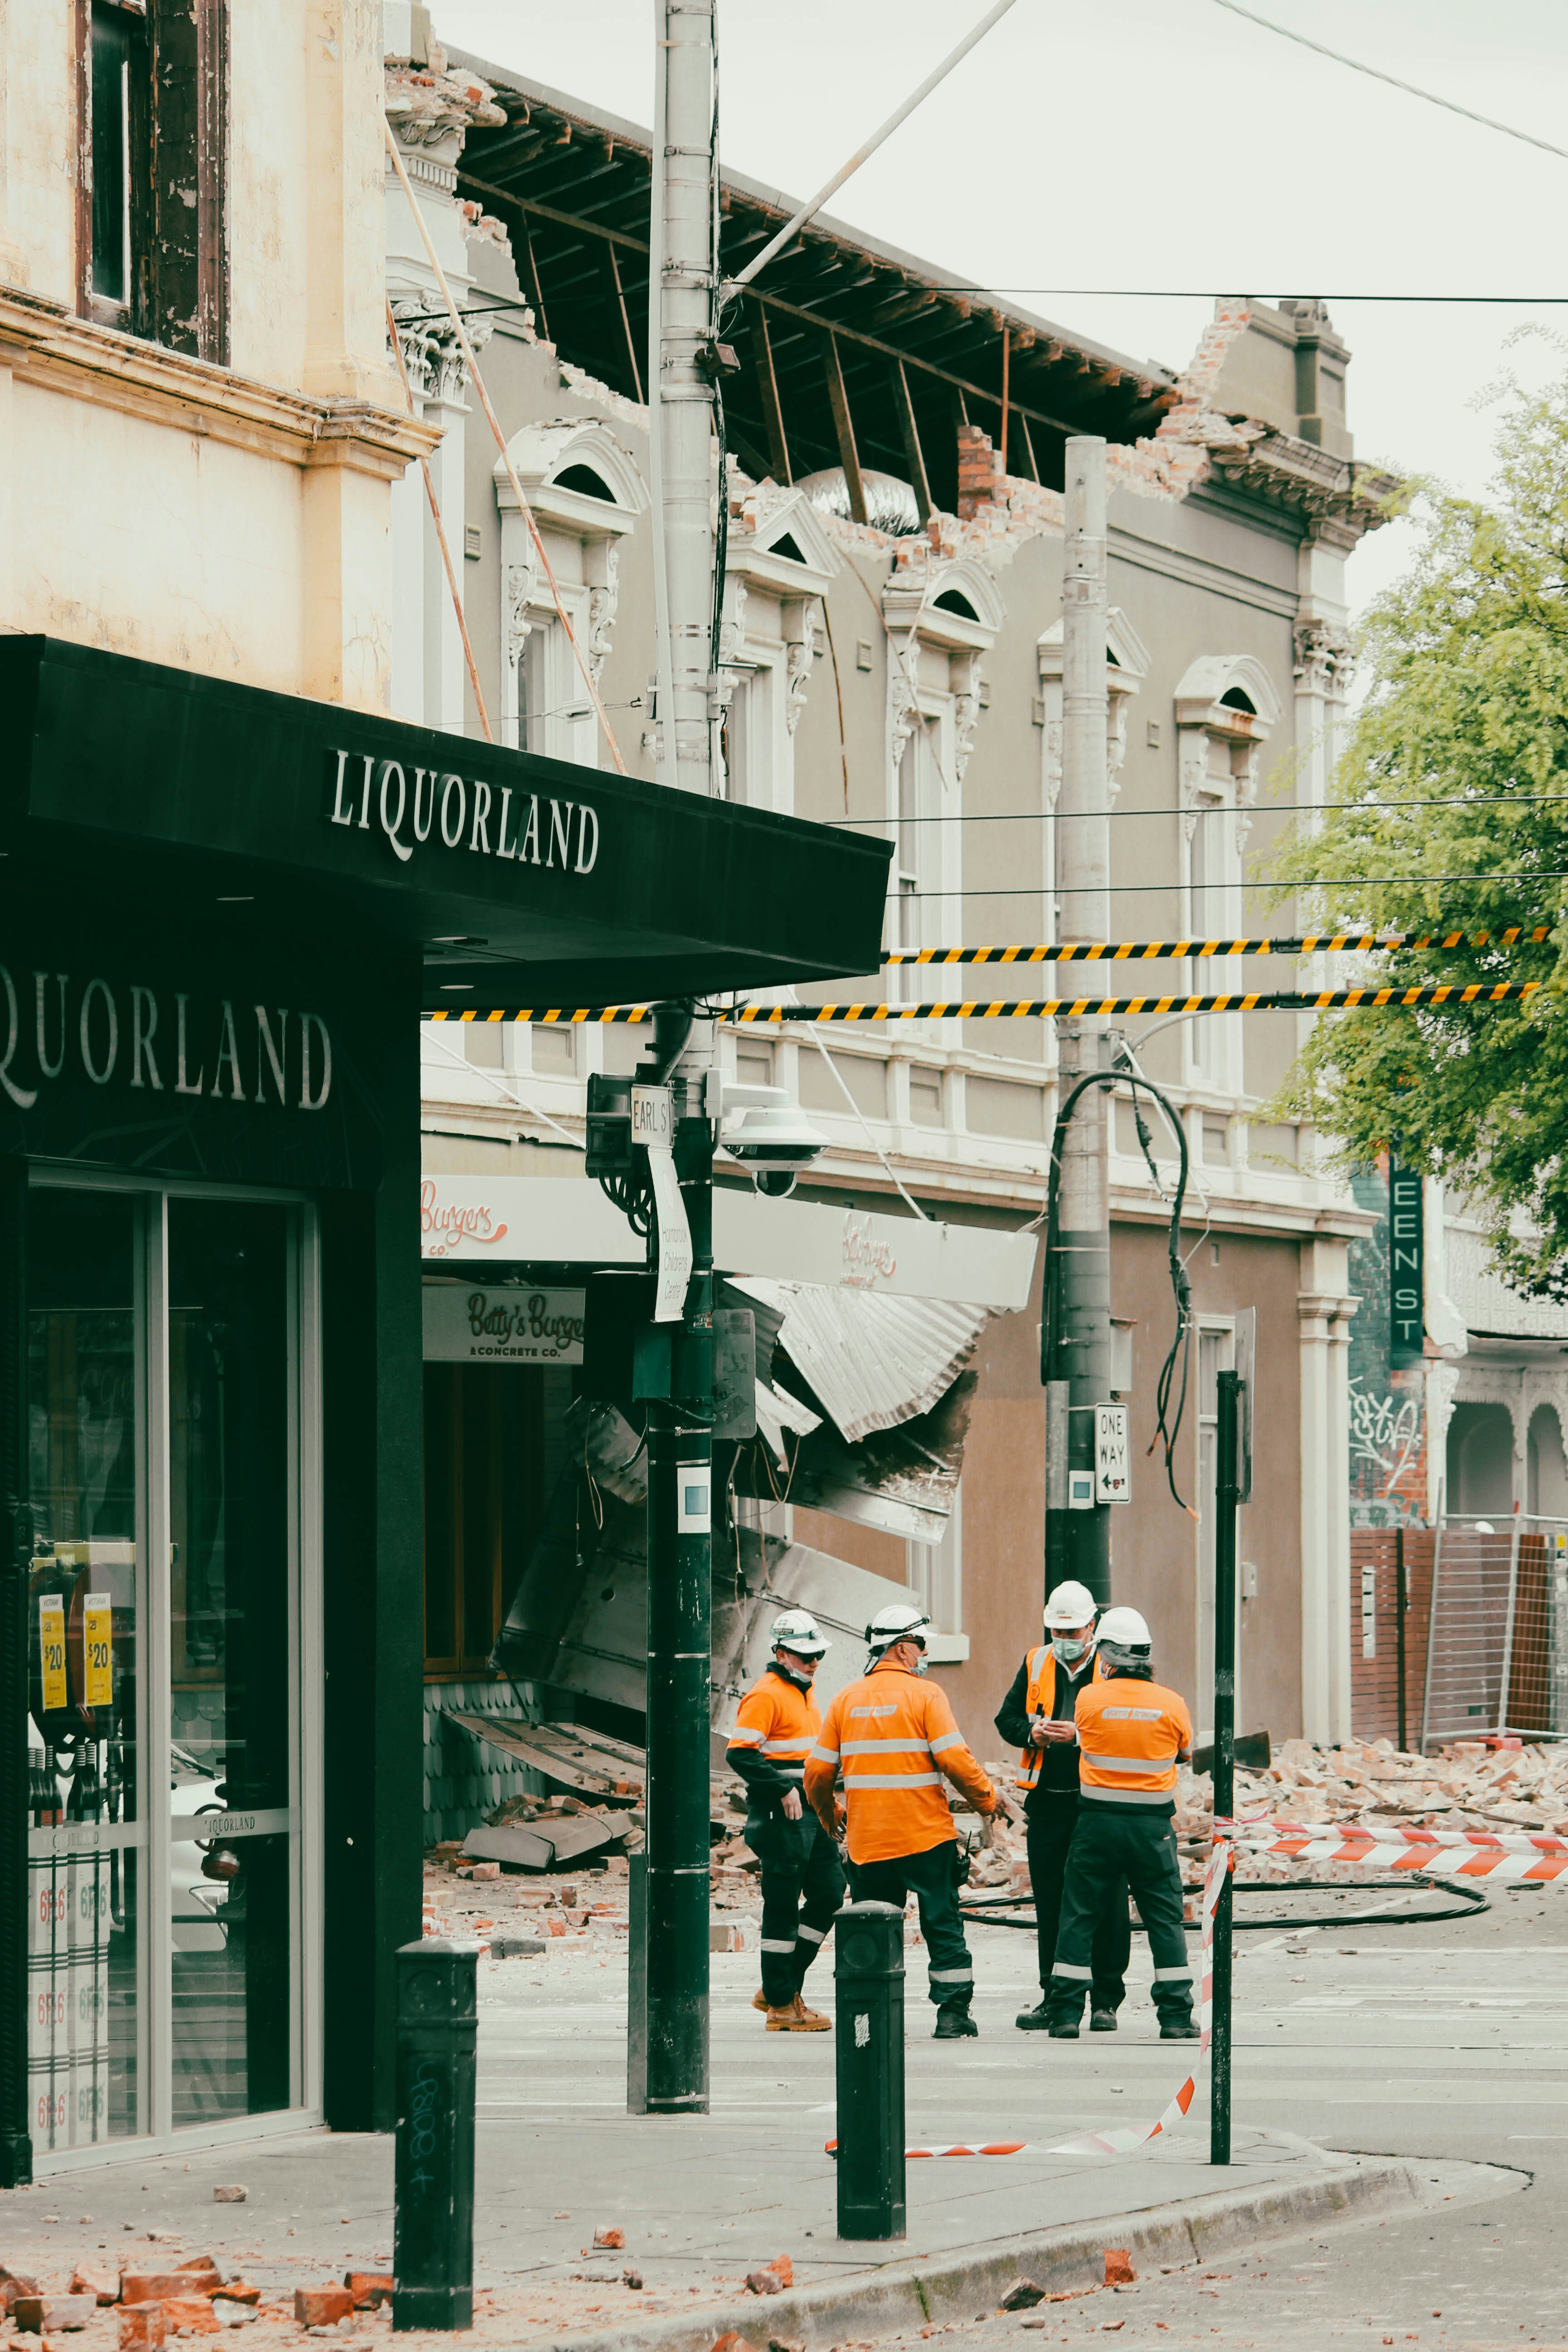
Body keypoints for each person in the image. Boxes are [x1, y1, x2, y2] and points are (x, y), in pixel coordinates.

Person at [804, 1601, 1003, 2039]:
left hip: (869, 1842)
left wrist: (829, 1814)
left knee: (873, 1929)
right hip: (925, 1838)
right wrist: (987, 1801)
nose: (924, 1654)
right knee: (942, 1925)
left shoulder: (845, 1700)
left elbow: (817, 1773)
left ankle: (871, 2019)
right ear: (901, 1648)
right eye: (920, 1645)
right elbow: (954, 1758)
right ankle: (952, 2016)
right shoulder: (926, 1695)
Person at [1046, 1604, 1197, 2041]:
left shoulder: (1089, 1699)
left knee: (1078, 1917)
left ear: (1107, 1658)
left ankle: (1066, 2014)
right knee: (1164, 1921)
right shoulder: (1172, 1704)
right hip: (1152, 1829)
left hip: (1097, 1826)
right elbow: (1185, 1752)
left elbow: (1081, 1737)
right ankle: (1174, 2016)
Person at [994, 1579, 1132, 2034]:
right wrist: (1032, 1734)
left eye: (1073, 1634)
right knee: (1052, 1903)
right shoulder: (1036, 1662)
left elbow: (1125, 1728)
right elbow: (1007, 1719)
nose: (1066, 1642)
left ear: (1093, 1627)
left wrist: (1080, 1736)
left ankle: (1105, 2000)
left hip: (1097, 1803)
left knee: (1107, 1901)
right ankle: (1056, 1996)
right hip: (1049, 1805)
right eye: (1058, 1632)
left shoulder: (1113, 1666)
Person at [726, 1608, 846, 2031]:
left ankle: (780, 1985)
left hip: (810, 1814)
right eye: (805, 1655)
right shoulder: (767, 1694)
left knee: (831, 1893)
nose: (814, 1662)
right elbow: (740, 1752)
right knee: (782, 1908)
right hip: (782, 1816)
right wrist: (782, 1788)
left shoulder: (804, 1691)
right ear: (781, 1653)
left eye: (818, 1655)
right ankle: (780, 2005)